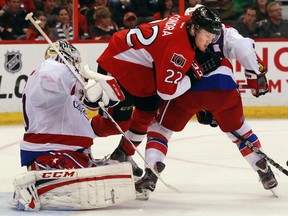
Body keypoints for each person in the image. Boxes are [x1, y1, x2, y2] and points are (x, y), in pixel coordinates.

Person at [134, 5, 277, 196]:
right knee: (239, 130)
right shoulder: (225, 32)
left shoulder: (181, 31)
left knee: (160, 128)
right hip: (223, 88)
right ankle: (263, 169)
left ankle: (151, 170)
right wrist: (255, 76)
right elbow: (244, 46)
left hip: (187, 90)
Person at [83, 5, 223, 178]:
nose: (210, 40)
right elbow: (167, 92)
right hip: (117, 65)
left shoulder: (187, 21)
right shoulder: (178, 51)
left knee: (147, 112)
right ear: (195, 28)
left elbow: (191, 10)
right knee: (117, 123)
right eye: (207, 36)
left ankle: (123, 155)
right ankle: (75, 139)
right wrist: (194, 76)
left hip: (141, 71)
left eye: (213, 36)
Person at [11, 39, 135, 211]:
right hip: (49, 152)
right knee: (96, 180)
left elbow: (81, 119)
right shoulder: (49, 69)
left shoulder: (63, 92)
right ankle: (35, 182)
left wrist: (114, 114)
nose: (76, 67)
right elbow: (68, 79)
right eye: (75, 62)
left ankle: (47, 180)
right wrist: (88, 85)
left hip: (73, 152)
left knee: (119, 171)